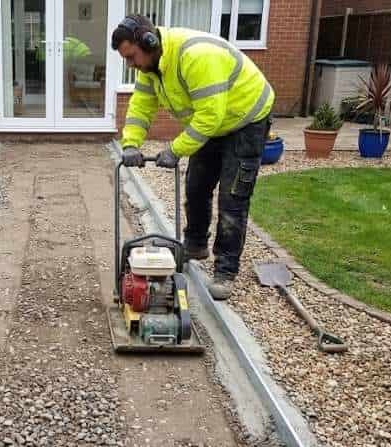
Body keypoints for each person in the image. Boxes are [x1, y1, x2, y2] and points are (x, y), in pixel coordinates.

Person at [112, 14, 273, 300]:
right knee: (197, 187)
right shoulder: (151, 68)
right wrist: (131, 145)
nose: (130, 64)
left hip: (246, 120)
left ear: (148, 42)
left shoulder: (196, 56)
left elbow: (211, 116)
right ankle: (196, 244)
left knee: (232, 198)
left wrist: (175, 150)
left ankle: (225, 270)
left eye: (132, 56)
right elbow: (140, 107)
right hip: (213, 123)